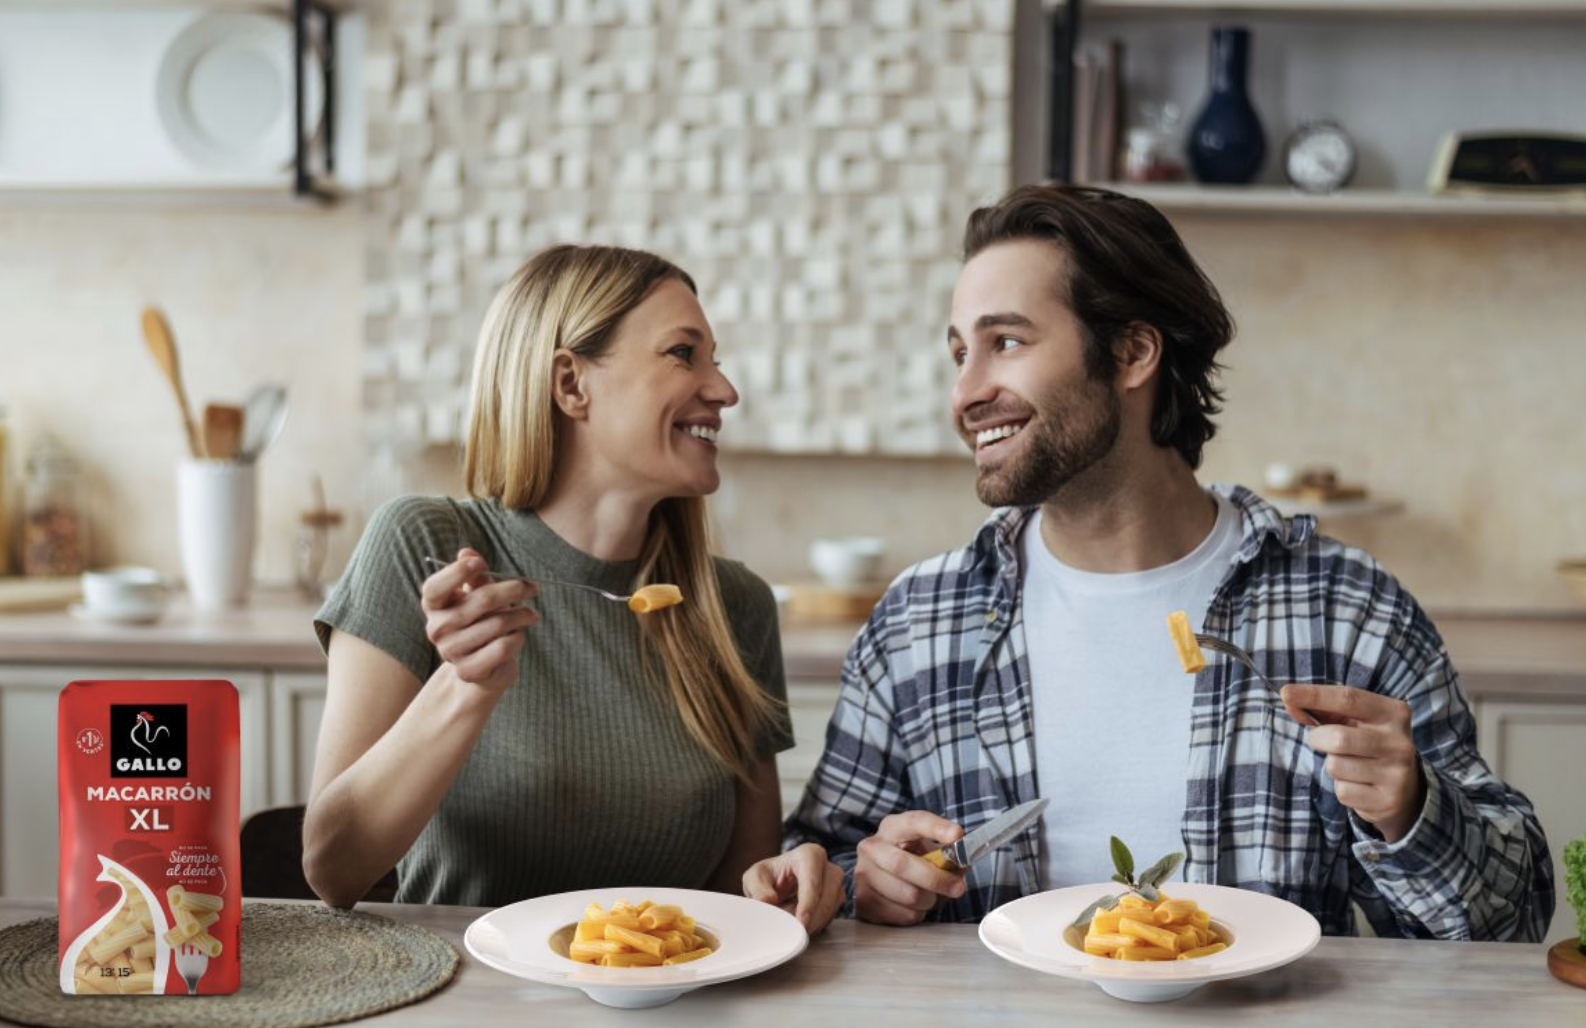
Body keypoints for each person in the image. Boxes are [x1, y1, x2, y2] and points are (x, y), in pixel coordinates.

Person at [780, 184, 1554, 940]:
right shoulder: (921, 621)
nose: (966, 391)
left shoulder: (1345, 613)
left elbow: (1512, 922)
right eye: (959, 352)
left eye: (1005, 342)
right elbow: (815, 865)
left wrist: (1411, 808)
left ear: (1133, 352)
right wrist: (863, 883)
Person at [303, 244, 841, 930]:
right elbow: (331, 868)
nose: (723, 390)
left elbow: (741, 901)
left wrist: (790, 884)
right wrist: (464, 689)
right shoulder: (426, 545)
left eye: (717, 359)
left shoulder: (734, 606)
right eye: (684, 354)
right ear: (570, 384)